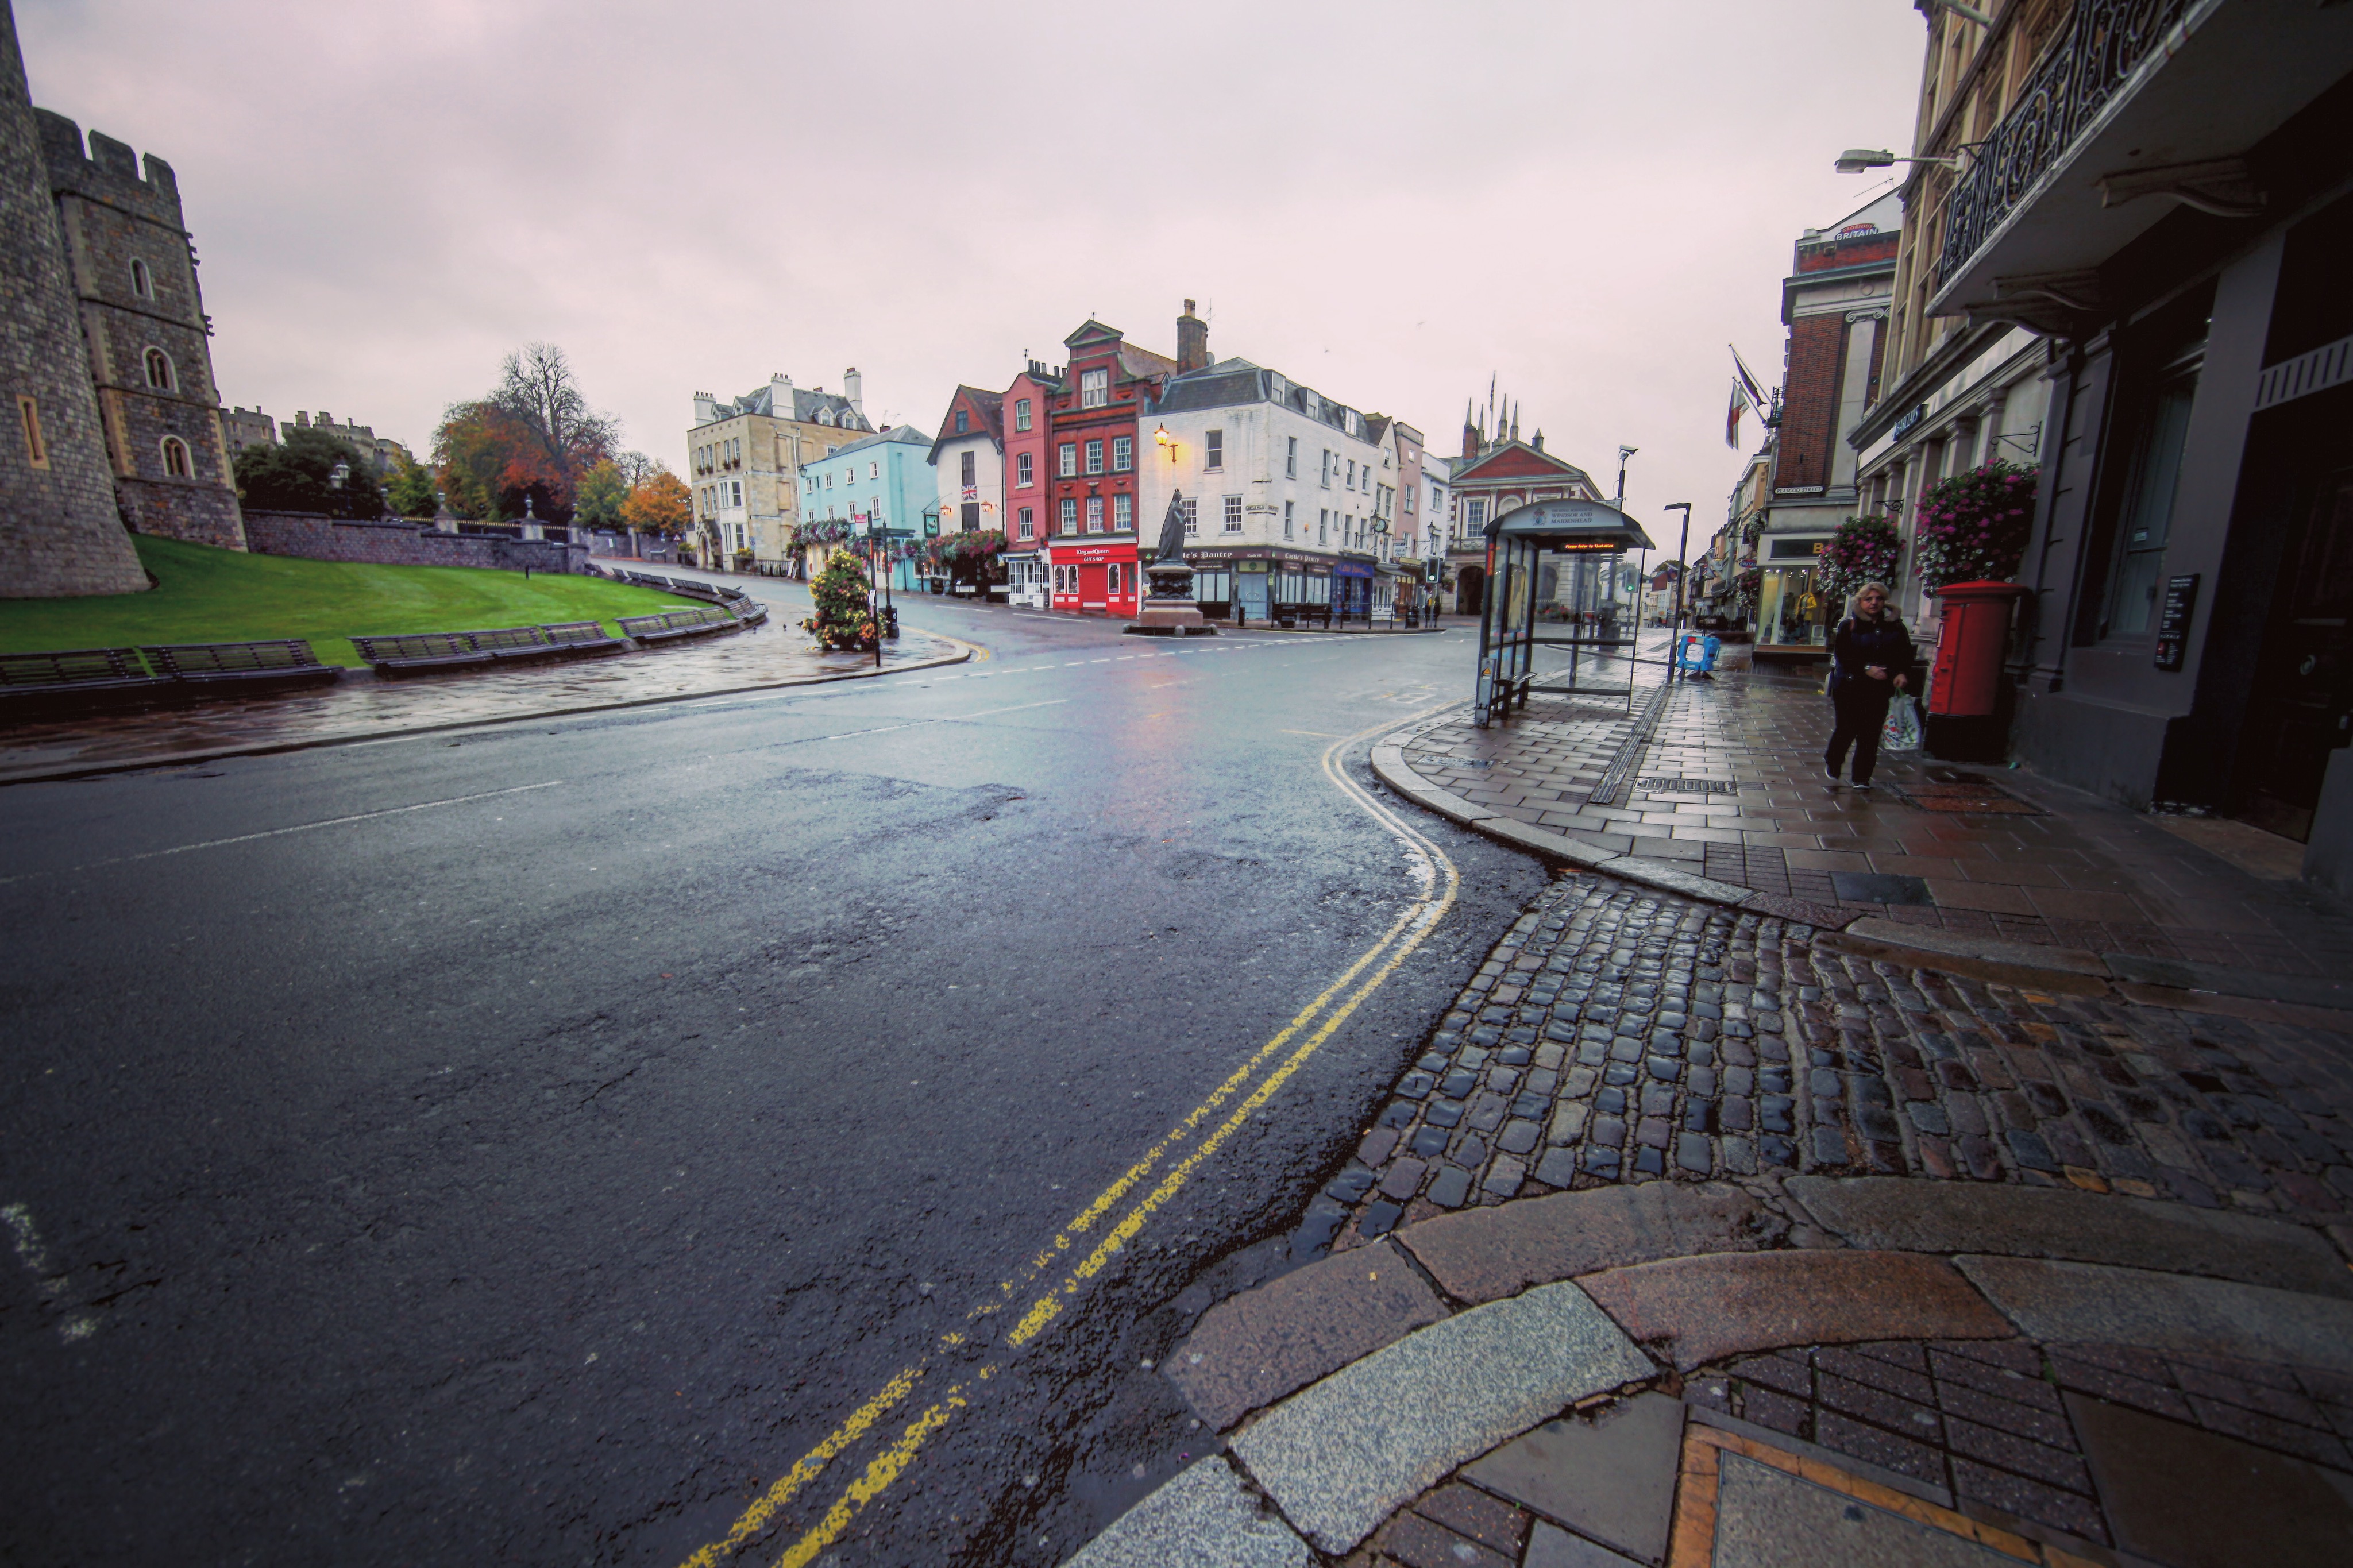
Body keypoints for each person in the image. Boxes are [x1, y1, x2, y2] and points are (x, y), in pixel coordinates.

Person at [1823, 581, 1916, 790]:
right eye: (1869, 599)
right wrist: (1865, 668)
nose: (1874, 603)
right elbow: (1843, 655)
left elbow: (1904, 654)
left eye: (1879, 599)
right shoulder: (1849, 625)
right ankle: (1833, 760)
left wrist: (1900, 673)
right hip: (1850, 687)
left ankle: (1861, 778)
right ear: (1860, 602)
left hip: (1879, 688)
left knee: (1870, 733)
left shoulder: (1896, 626)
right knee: (1847, 729)